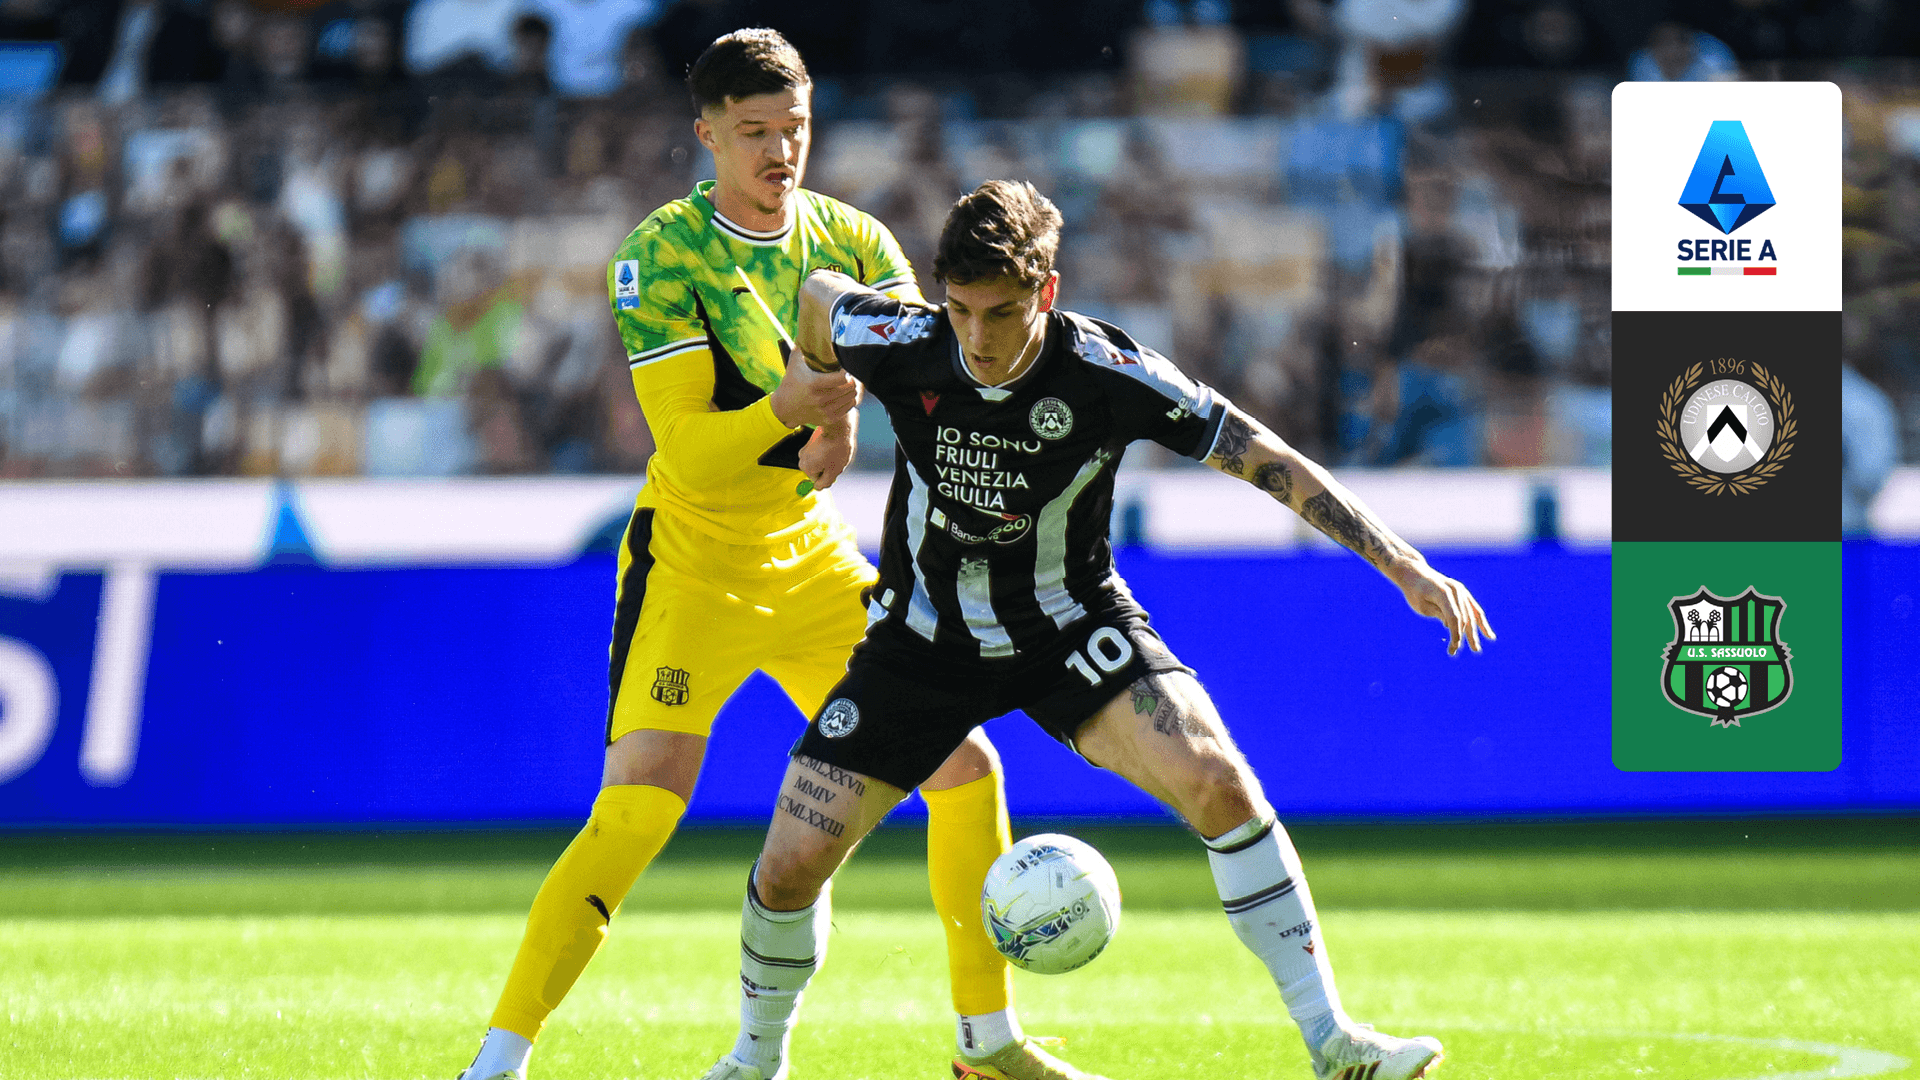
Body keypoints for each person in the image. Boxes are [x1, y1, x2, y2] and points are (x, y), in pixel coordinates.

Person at [697, 180, 1494, 1080]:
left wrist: (1403, 565)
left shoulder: (1110, 373)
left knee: (1219, 782)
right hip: (922, 644)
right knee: (788, 867)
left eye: (1001, 313)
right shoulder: (904, 341)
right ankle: (755, 1063)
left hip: (1069, 630)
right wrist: (832, 409)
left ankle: (1332, 1041)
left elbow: (1262, 455)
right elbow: (817, 298)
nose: (977, 338)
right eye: (959, 310)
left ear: (1046, 291)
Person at [456, 31, 1091, 1080]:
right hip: (692, 562)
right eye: (752, 131)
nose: (778, 150)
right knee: (639, 809)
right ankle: (498, 1060)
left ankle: (987, 1045)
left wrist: (848, 421)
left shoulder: (856, 243)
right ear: (706, 135)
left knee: (966, 769)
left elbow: (925, 382)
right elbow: (687, 453)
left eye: (793, 127)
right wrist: (788, 409)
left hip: (810, 560)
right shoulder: (661, 255)